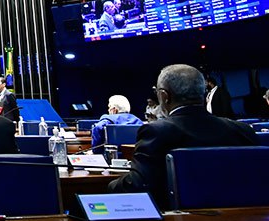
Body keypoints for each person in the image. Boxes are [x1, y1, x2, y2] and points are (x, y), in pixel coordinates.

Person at [108, 64, 257, 207]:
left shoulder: (156, 132)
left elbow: (137, 185)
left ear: (164, 96)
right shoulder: (243, 131)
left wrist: (109, 186)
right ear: (203, 93)